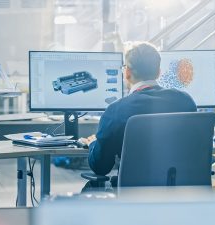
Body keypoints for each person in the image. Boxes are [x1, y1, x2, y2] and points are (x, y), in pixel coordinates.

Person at [81, 42, 197, 178]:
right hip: (183, 192)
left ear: (127, 73)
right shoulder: (185, 102)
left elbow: (100, 167)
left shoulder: (116, 111)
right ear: (158, 72)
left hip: (133, 194)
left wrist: (93, 144)